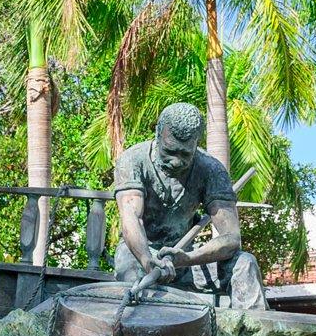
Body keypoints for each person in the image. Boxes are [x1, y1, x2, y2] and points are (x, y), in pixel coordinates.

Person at [113, 102, 268, 309]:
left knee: (244, 263)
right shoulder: (133, 160)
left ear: (197, 143)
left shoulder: (212, 170)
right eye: (170, 151)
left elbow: (231, 239)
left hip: (186, 259)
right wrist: (147, 260)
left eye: (185, 154)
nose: (177, 162)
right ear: (158, 135)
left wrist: (186, 258)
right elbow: (132, 217)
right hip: (140, 253)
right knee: (130, 275)